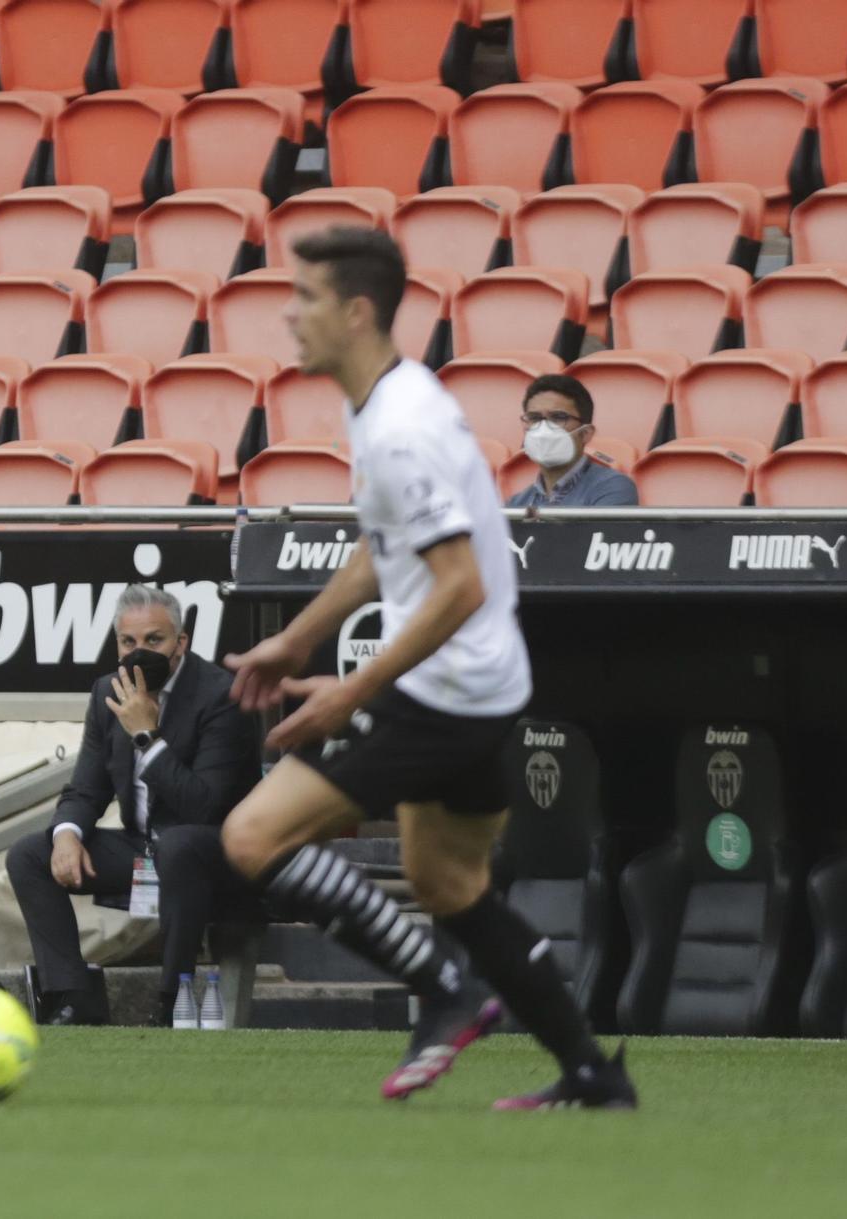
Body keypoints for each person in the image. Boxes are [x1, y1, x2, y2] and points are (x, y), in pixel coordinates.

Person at [217, 228, 638, 1110]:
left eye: (306, 299)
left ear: (357, 311)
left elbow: (459, 584)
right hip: (481, 681)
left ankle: (444, 990)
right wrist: (297, 641)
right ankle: (592, 1073)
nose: (290, 316)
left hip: (442, 690)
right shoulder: (387, 400)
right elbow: (385, 549)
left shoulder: (401, 425)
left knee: (252, 836)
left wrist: (352, 688)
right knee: (450, 882)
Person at [5, 585, 260, 1027]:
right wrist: (67, 835)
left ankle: (170, 1002)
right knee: (30, 855)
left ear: (181, 642)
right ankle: (74, 997)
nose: (140, 652)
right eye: (129, 642)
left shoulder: (222, 695)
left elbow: (204, 805)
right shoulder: (108, 692)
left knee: (179, 845)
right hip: (146, 848)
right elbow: (85, 789)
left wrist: (146, 735)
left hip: (222, 854)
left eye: (154, 640)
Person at [505, 374, 639, 509]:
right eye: (534, 418)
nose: (544, 428)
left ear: (586, 433)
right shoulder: (517, 503)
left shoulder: (612, 488)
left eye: (558, 417)